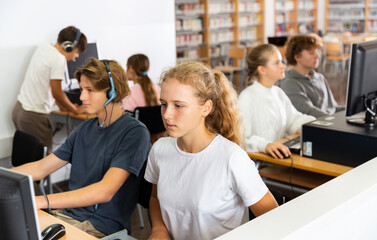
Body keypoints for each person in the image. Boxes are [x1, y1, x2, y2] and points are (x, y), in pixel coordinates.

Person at [13, 58, 151, 238]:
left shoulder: (134, 133)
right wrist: (5, 176)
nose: (81, 97)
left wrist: (41, 201)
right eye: (82, 89)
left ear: (112, 92)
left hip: (99, 226)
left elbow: (104, 191)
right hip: (68, 216)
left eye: (90, 90)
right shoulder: (85, 128)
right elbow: (41, 168)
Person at [144, 61, 278, 240]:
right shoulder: (160, 149)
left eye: (178, 105)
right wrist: (159, 230)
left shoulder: (232, 158)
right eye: (163, 104)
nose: (167, 114)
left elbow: (274, 220)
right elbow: (155, 198)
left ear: (206, 108)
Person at [12, 26, 88, 152]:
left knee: (28, 162)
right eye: (77, 52)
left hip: (19, 111)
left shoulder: (44, 47)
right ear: (68, 46)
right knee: (43, 163)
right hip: (34, 117)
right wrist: (75, 110)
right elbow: (57, 92)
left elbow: (52, 88)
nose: (76, 57)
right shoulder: (59, 59)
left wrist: (64, 107)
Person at [238, 44, 315, 158]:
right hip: (260, 160)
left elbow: (293, 120)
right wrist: (265, 145)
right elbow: (242, 139)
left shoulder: (278, 92)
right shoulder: (246, 97)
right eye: (277, 63)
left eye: (282, 61)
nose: (283, 66)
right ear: (262, 70)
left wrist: (315, 123)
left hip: (280, 155)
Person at [280, 34, 344, 118]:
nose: (317, 56)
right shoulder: (290, 83)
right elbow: (309, 111)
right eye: (311, 53)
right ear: (297, 57)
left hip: (329, 121)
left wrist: (354, 110)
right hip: (318, 125)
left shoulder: (320, 78)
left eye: (317, 51)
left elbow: (333, 108)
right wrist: (335, 120)